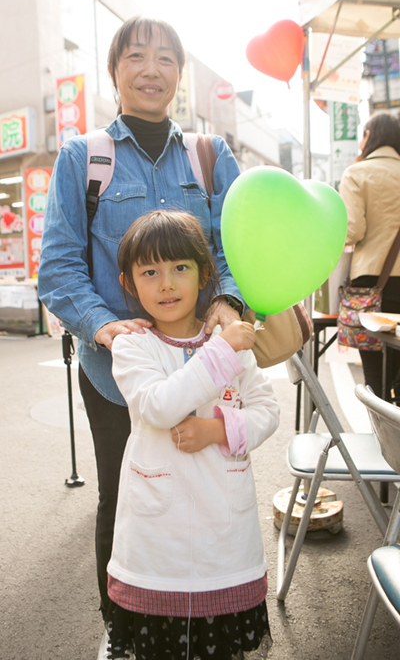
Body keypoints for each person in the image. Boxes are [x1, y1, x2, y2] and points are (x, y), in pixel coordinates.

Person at [38, 15, 245, 658]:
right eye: (136, 56)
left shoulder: (211, 156)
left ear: (179, 75)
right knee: (128, 499)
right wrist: (102, 325)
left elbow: (235, 247)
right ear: (115, 72)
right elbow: (60, 264)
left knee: (211, 494)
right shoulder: (83, 157)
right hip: (118, 373)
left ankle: (203, 621)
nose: (151, 68)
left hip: (206, 365)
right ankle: (124, 631)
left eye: (164, 58)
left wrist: (231, 300)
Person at [107, 209, 280, 660]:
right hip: (156, 543)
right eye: (150, 272)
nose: (166, 284)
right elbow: (159, 406)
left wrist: (217, 429)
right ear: (129, 282)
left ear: (205, 274)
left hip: (224, 537)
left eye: (180, 268)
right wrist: (220, 352)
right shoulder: (132, 345)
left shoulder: (229, 342)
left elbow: (267, 409)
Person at [339, 111, 400, 403]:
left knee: (375, 377)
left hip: (372, 284)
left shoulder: (357, 173)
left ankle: (381, 444)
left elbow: (352, 230)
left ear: (369, 137)